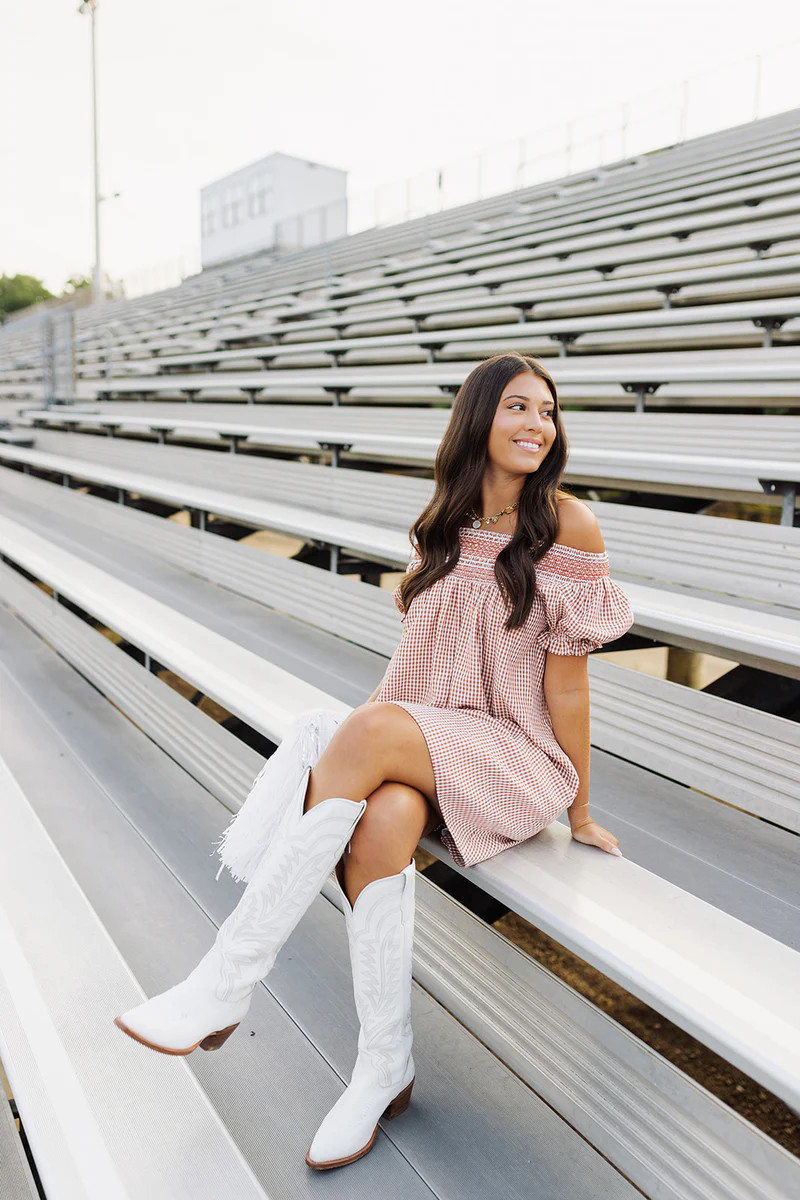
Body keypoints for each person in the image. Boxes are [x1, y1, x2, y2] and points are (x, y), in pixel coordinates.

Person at [114, 350, 635, 1171]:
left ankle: (228, 979)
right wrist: (384, 743)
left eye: (549, 411)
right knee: (383, 815)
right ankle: (384, 1063)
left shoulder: (567, 523)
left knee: (362, 730)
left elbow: (566, 687)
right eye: (519, 409)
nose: (539, 424)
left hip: (514, 754)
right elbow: (418, 667)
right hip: (433, 737)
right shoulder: (447, 517)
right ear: (479, 420)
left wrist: (579, 809)